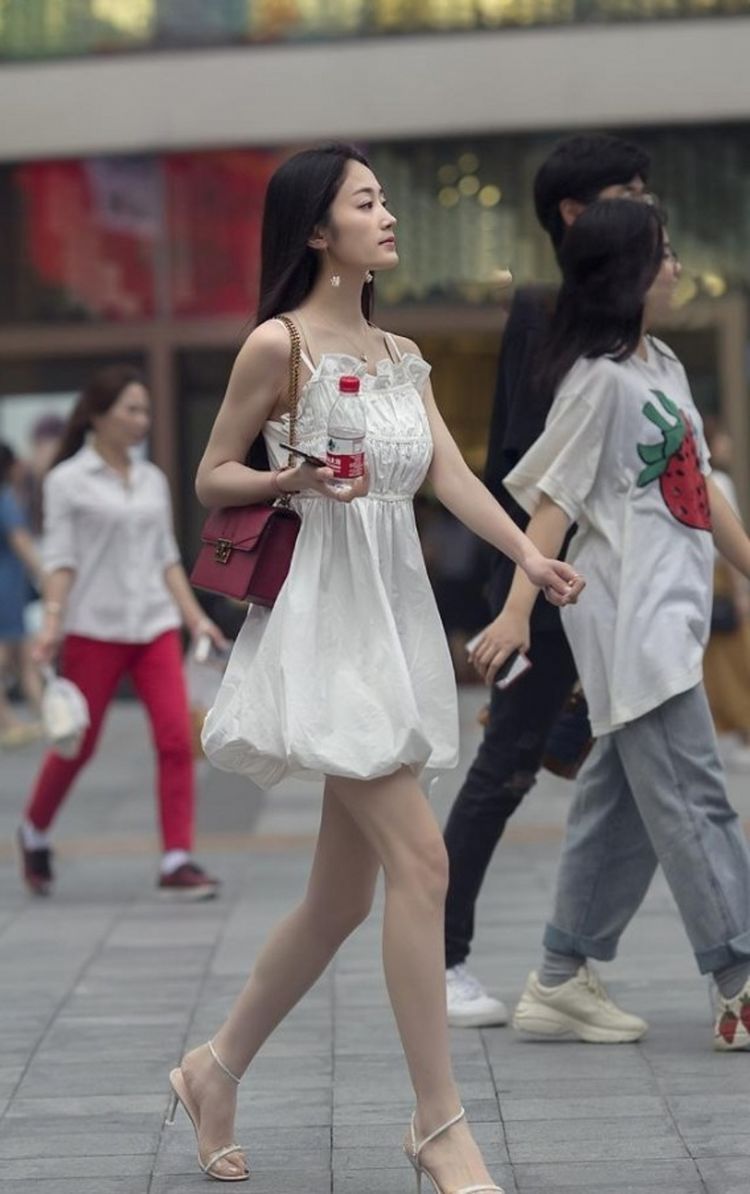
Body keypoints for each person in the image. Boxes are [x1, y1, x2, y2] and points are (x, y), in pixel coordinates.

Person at [165, 143, 583, 1188]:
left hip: (389, 623)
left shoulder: (399, 351)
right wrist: (289, 475)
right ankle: (439, 1126)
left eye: (384, 200)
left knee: (341, 900)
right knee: (424, 865)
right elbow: (215, 477)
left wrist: (529, 553)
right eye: (367, 202)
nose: (389, 216)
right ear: (318, 230)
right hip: (324, 630)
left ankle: (212, 1070)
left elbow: (447, 473)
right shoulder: (279, 345)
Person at [499, 198, 750, 1052]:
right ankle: (740, 979)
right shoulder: (597, 382)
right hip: (633, 625)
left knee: (628, 809)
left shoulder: (665, 364)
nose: (677, 267)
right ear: (628, 275)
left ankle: (559, 980)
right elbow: (551, 506)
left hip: (671, 616)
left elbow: (699, 485)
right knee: (695, 801)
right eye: (665, 254)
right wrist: (514, 615)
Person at [442, 133, 652, 1027]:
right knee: (506, 768)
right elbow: (528, 466)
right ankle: (442, 958)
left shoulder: (624, 317)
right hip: (547, 589)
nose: (645, 204)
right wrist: (519, 595)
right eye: (627, 190)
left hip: (604, 589)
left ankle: (566, 965)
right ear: (575, 212)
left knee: (634, 774)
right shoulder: (548, 309)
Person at [17, 365, 225, 900]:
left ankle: (177, 858)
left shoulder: (151, 478)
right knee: (76, 744)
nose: (142, 421)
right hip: (94, 627)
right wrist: (54, 623)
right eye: (131, 410)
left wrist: (193, 617)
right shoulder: (68, 481)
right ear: (98, 414)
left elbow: (166, 558)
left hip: (153, 624)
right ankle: (34, 829)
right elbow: (59, 558)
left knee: (177, 738)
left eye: (145, 411)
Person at [702, 426, 750, 769]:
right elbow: (728, 538)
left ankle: (725, 734)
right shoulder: (717, 481)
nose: (728, 446)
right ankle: (734, 731)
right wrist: (741, 592)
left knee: (714, 666)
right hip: (718, 579)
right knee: (734, 663)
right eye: (723, 439)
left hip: (698, 578)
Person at [0, 442, 44, 749]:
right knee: (6, 656)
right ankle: (7, 721)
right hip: (7, 588)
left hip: (11, 587)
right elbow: (22, 543)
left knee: (24, 654)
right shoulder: (6, 500)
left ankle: (42, 714)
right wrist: (46, 576)